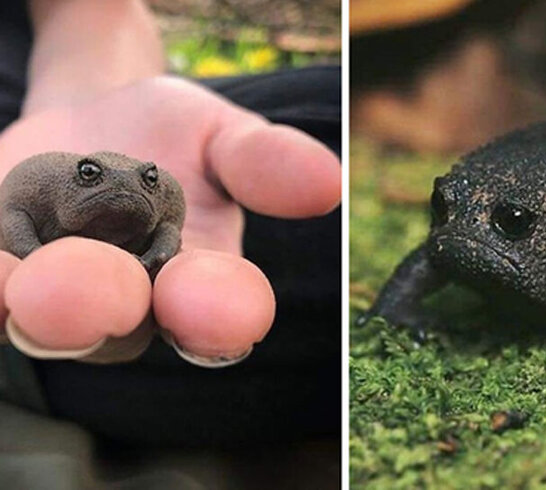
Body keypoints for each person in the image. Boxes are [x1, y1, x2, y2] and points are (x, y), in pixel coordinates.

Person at [0, 0, 341, 487]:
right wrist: (29, 252)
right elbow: (13, 213)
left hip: (44, 82)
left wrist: (89, 82)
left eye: (150, 180)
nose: (134, 189)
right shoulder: (36, 182)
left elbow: (169, 228)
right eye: (92, 177)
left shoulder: (162, 196)